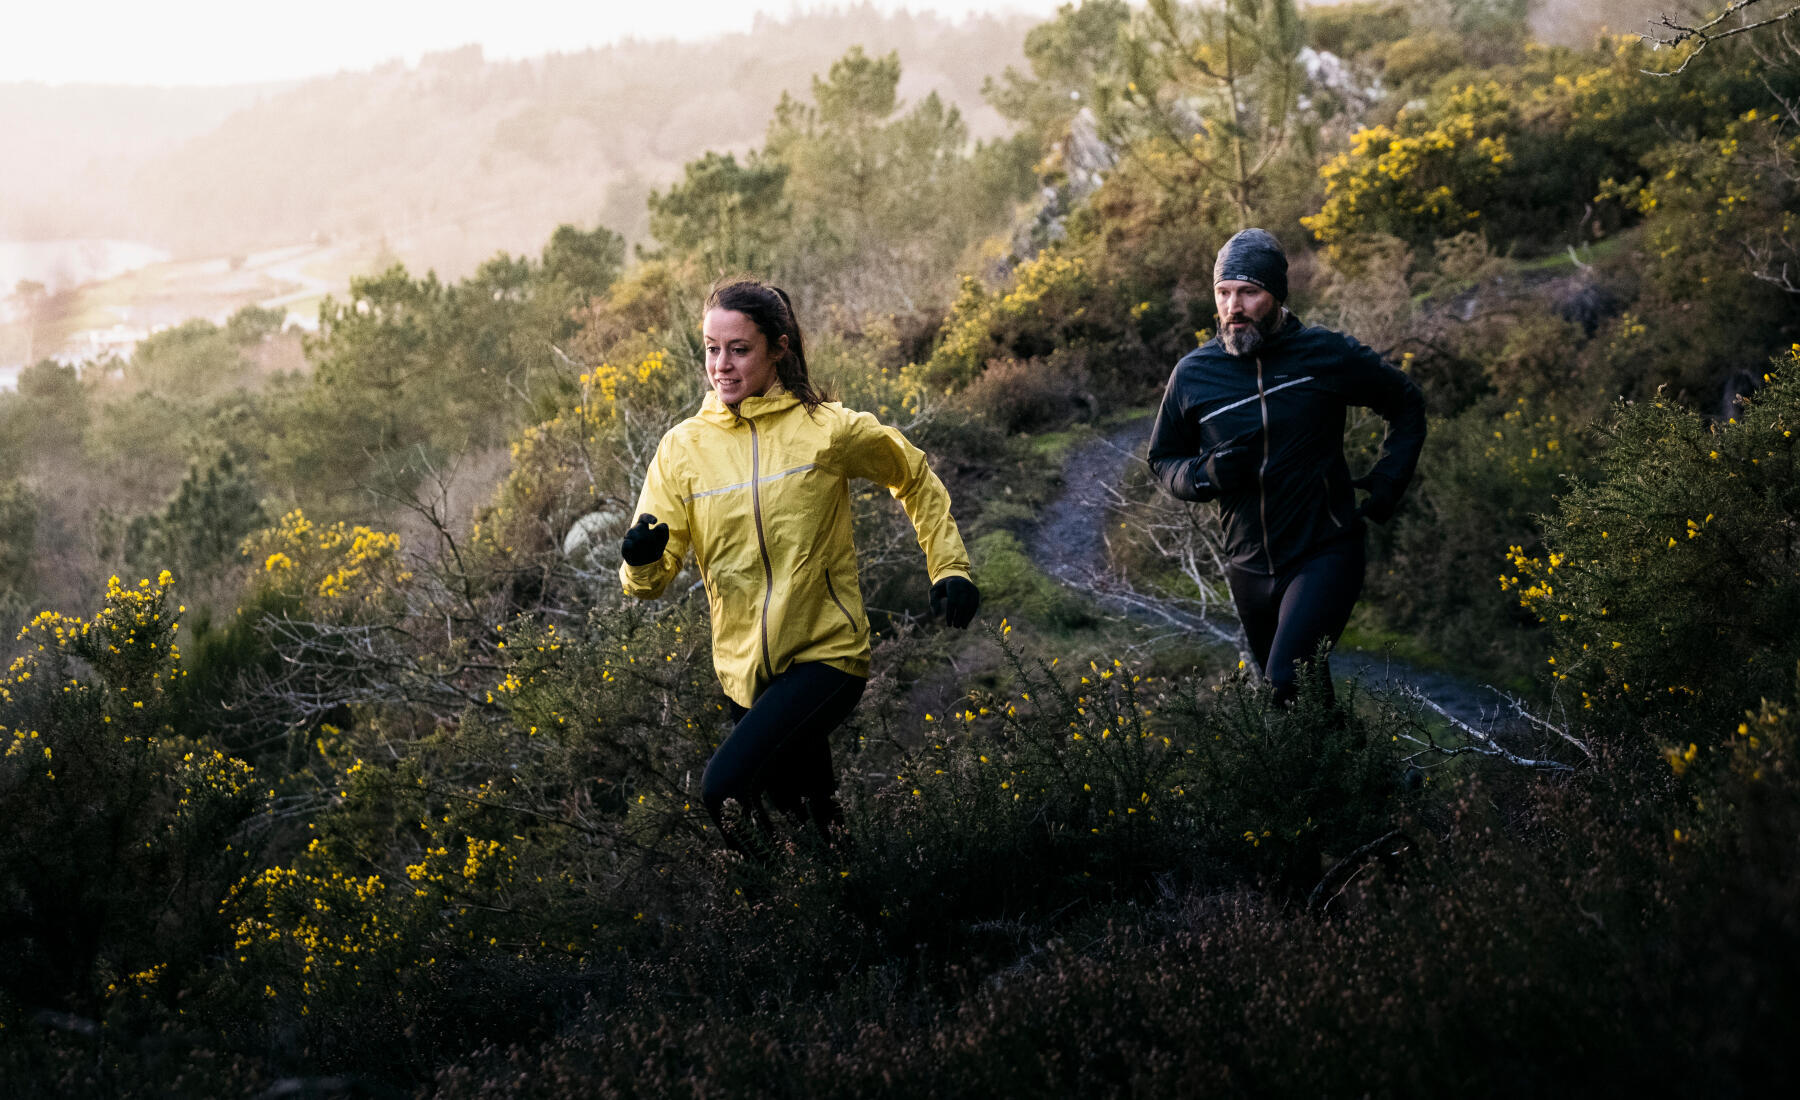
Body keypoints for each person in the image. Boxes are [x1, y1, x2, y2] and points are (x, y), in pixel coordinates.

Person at [620, 277, 980, 854]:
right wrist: (640, 561)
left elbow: (913, 475)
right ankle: (850, 911)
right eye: (712, 349)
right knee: (809, 816)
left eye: (740, 349)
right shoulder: (681, 449)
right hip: (742, 674)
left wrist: (950, 568)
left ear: (778, 349)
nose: (722, 366)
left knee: (725, 790)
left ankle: (773, 907)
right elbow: (652, 578)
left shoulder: (828, 431)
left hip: (826, 655)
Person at [1147, 228, 1426, 706]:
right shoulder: (1193, 374)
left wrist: (1388, 481)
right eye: (1223, 292)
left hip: (1324, 551)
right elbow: (1162, 459)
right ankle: (1375, 781)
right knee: (1303, 708)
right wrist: (1203, 475)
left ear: (1275, 296)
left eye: (1249, 292)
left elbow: (1405, 402)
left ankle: (1369, 780)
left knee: (1284, 682)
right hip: (1248, 568)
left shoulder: (1323, 355)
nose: (1233, 306)